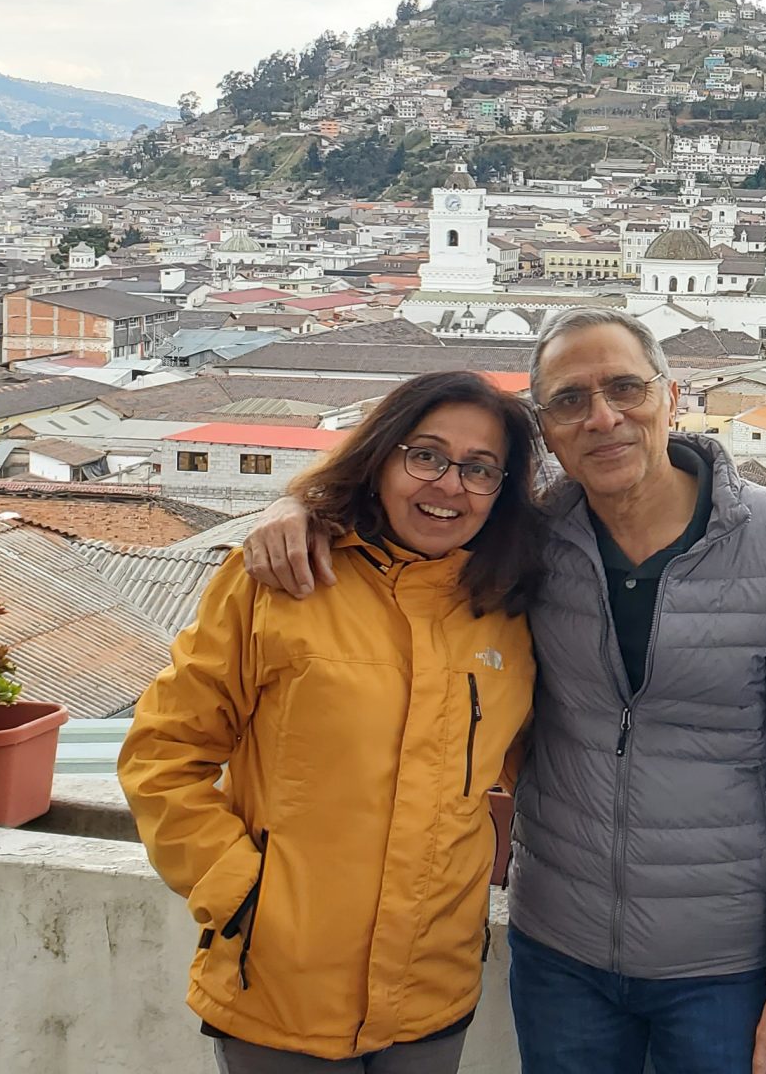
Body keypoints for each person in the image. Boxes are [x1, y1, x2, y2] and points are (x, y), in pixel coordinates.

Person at [241, 307, 766, 1074]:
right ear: (547, 427)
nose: (603, 417)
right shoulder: (526, 540)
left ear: (672, 397)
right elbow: (409, 524)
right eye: (571, 400)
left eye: (626, 389)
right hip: (560, 952)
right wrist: (296, 509)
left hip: (722, 965)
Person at [120, 370, 547, 1072]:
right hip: (282, 986)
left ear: (501, 491)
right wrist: (244, 898)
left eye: (479, 469)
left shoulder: (509, 610)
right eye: (426, 456)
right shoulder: (283, 581)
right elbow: (164, 752)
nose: (448, 485)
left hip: (432, 990)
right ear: (381, 457)